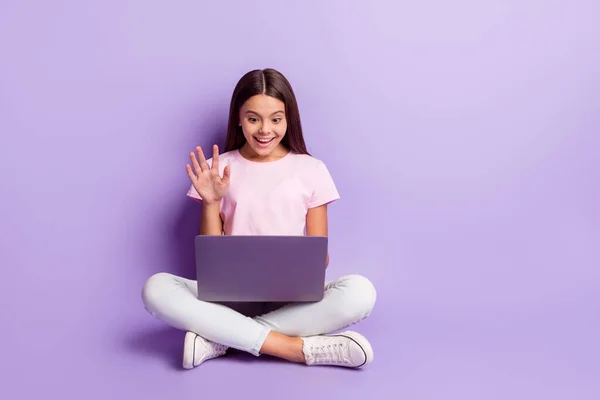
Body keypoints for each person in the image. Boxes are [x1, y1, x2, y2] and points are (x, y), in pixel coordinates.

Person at [141, 68, 377, 370]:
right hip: (228, 299)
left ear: (288, 118)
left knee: (360, 292)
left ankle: (221, 339)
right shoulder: (219, 168)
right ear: (239, 118)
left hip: (292, 299)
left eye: (276, 119)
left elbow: (321, 257)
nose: (265, 130)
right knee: (156, 288)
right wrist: (210, 202)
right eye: (253, 119)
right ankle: (295, 348)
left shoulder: (311, 169)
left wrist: (298, 265)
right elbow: (211, 255)